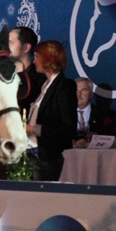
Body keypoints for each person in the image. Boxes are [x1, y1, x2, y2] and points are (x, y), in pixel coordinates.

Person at [25, 40, 77, 181]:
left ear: (48, 58)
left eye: (37, 56)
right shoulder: (42, 86)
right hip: (31, 154)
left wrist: (33, 129)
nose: (34, 61)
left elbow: (68, 128)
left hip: (48, 157)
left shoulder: (65, 86)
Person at [8, 26, 43, 113]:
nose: (6, 46)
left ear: (26, 48)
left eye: (10, 42)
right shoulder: (3, 75)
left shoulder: (40, 79)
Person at [73, 77, 103, 147]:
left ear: (91, 94)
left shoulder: (102, 114)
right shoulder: (62, 113)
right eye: (75, 90)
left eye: (83, 90)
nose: (78, 94)